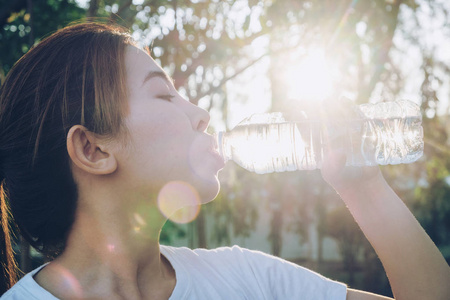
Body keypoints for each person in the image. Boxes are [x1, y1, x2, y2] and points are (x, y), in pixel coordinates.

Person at [0, 22, 448, 300]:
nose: (202, 113)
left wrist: (364, 186)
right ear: (94, 150)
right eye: (163, 93)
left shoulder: (247, 280)